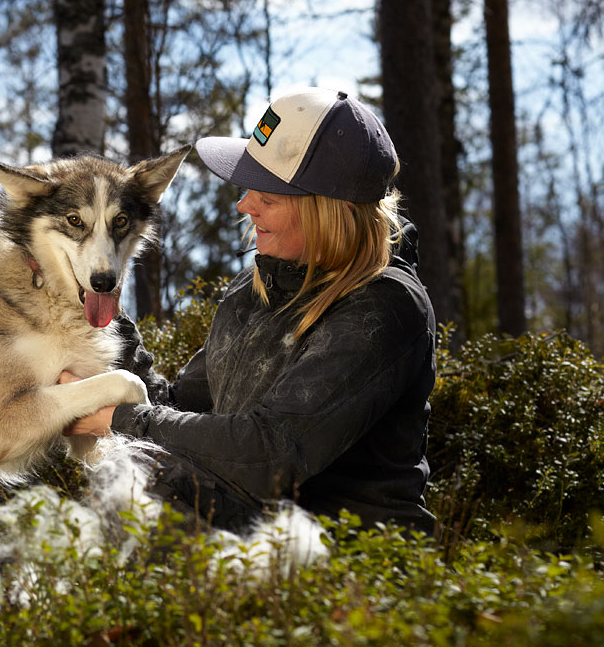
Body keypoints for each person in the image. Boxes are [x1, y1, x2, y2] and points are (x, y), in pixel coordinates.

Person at [67, 87, 436, 534]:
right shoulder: (257, 285)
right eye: (248, 188)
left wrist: (117, 418)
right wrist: (109, 326)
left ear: (328, 212)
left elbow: (271, 453)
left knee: (140, 492)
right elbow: (180, 410)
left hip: (351, 561)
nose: (244, 206)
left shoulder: (386, 307)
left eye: (270, 197)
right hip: (257, 534)